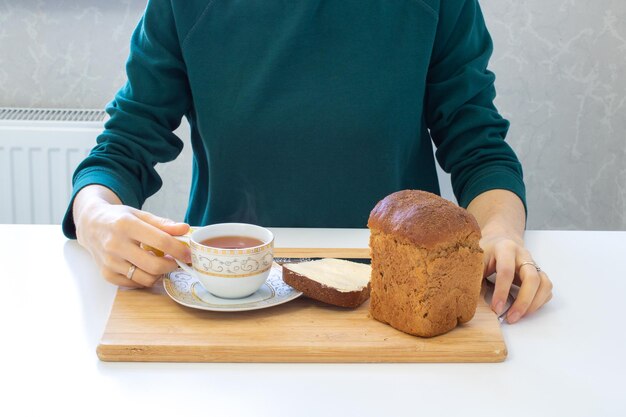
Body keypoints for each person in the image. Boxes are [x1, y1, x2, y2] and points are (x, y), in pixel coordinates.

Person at [63, 0, 552, 324]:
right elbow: (125, 143)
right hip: (228, 299)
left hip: (397, 301)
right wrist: (95, 218)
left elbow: (477, 144)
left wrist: (502, 232)